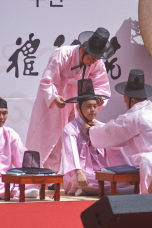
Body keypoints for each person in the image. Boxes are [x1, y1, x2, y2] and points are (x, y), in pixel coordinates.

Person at [26, 27, 114, 175]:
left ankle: (66, 176)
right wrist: (54, 97)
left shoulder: (96, 62)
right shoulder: (61, 54)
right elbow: (47, 81)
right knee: (48, 137)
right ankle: (38, 176)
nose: (93, 61)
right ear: (82, 50)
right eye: (91, 58)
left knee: (71, 137)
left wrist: (97, 98)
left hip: (76, 102)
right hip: (55, 101)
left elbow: (101, 85)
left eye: (96, 59)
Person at [82, 69, 152, 193]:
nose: (125, 103)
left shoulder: (135, 115)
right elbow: (121, 135)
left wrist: (89, 131)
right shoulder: (150, 109)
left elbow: (111, 132)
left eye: (125, 100)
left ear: (133, 101)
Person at [62, 79, 132, 196]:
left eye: (95, 106)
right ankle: (116, 191)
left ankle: (88, 191)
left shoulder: (101, 126)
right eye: (88, 106)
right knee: (75, 179)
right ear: (78, 108)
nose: (92, 110)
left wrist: (124, 170)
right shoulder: (70, 128)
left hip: (100, 173)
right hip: (79, 174)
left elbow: (115, 150)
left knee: (119, 178)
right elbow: (71, 153)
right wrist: (79, 172)